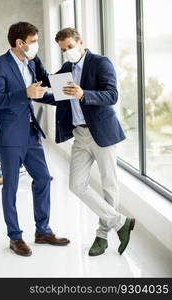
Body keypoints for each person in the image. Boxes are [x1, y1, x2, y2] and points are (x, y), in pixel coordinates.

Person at [35, 28, 135, 256]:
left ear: (80, 42)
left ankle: (102, 236)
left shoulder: (101, 63)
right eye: (63, 49)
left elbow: (112, 95)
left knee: (109, 186)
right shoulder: (67, 69)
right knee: (76, 185)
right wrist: (36, 68)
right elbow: (56, 89)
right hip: (80, 136)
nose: (67, 52)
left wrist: (83, 94)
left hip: (102, 133)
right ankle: (121, 222)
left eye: (70, 46)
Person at [0, 22, 70, 257]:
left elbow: (45, 85)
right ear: (19, 43)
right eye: (33, 42)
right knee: (11, 187)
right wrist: (24, 93)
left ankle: (43, 231)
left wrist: (70, 94)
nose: (36, 46)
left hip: (31, 132)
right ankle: (15, 237)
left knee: (43, 178)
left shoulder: (33, 61)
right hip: (11, 135)